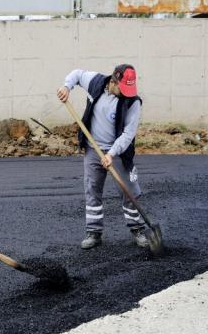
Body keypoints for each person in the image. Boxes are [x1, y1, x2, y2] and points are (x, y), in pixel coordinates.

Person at [57, 64, 149, 250]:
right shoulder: (96, 82)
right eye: (123, 88)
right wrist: (67, 86)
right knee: (92, 189)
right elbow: (76, 74)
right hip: (93, 148)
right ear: (113, 81)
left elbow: (128, 134)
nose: (126, 93)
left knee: (130, 191)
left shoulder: (133, 102)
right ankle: (93, 232)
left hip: (119, 153)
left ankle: (138, 229)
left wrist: (111, 153)